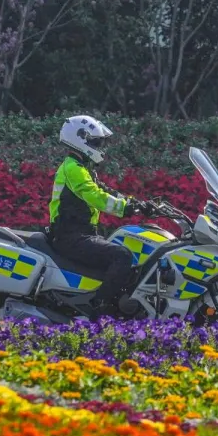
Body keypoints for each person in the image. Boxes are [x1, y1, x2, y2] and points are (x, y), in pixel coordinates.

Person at [48, 115, 143, 317]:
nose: (100, 147)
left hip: (80, 233)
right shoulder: (73, 169)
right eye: (96, 142)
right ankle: (100, 308)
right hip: (71, 236)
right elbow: (93, 194)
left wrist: (134, 202)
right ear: (81, 139)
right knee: (122, 256)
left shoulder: (81, 167)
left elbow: (102, 189)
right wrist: (123, 208)